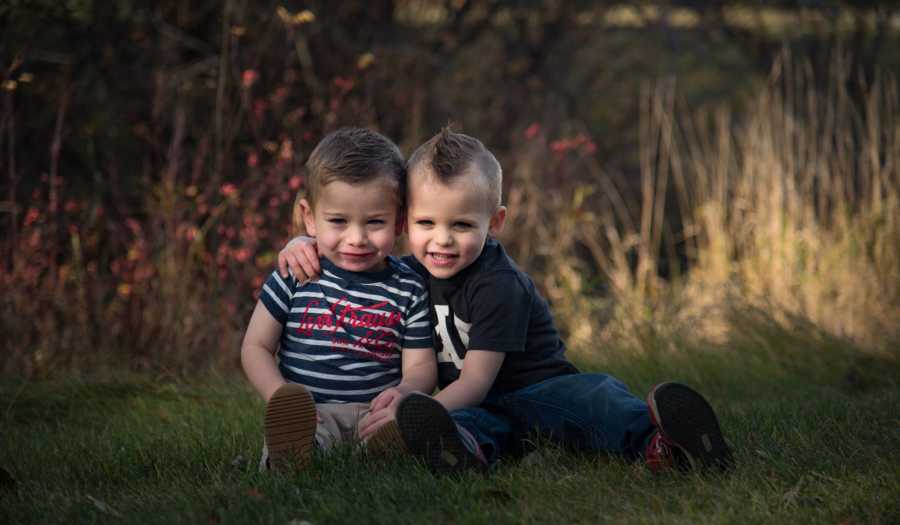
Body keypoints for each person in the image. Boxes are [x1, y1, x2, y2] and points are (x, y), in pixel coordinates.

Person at [278, 127, 734, 475]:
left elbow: (475, 381)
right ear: (404, 221)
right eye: (426, 223)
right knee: (471, 424)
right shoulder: (410, 273)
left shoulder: (498, 284)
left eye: (461, 226)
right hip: (476, 406)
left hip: (536, 392)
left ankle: (666, 444)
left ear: (493, 223)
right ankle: (460, 454)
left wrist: (411, 404)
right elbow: (356, 261)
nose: (442, 241)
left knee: (595, 399)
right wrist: (304, 242)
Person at [241, 127, 437, 471]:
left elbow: (420, 366)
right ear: (309, 218)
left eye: (375, 221)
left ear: (400, 222)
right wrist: (279, 397)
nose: (357, 238)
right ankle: (293, 453)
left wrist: (404, 393)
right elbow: (255, 346)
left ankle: (382, 451)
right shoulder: (295, 273)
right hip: (310, 413)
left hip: (376, 411)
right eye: (338, 221)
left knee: (398, 429)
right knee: (300, 440)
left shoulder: (409, 287)